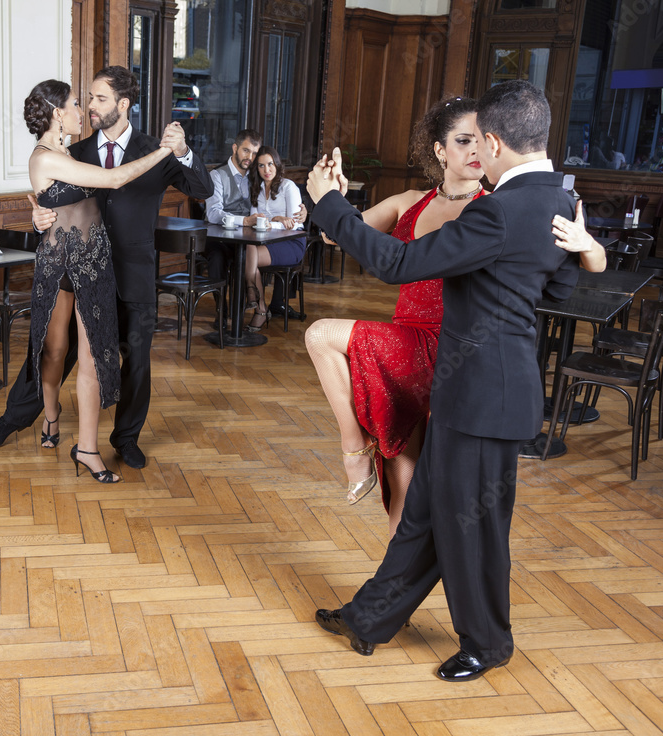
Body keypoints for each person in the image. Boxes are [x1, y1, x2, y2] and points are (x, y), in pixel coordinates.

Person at [307, 80, 587, 682]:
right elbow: (559, 291)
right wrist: (587, 248)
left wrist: (326, 201)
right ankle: (369, 618)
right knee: (426, 516)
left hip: (486, 399)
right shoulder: (559, 203)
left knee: (475, 528)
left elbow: (396, 263)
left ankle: (488, 644)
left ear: (491, 141)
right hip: (473, 394)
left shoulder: (501, 209)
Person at [304, 97, 604, 536]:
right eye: (464, 141)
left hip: (454, 353)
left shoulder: (495, 210)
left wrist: (591, 246)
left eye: (481, 141)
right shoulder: (409, 201)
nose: (476, 152)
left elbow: (573, 267)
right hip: (405, 344)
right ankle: (388, 592)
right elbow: (341, 236)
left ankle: (353, 448)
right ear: (440, 151)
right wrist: (337, 197)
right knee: (401, 477)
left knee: (321, 334)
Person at [0, 66, 215, 470]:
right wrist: (40, 220)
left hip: (132, 269)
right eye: (86, 98)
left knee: (135, 360)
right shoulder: (75, 150)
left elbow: (204, 190)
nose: (89, 106)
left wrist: (182, 151)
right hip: (80, 272)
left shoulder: (153, 147)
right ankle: (16, 418)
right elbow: (56, 200)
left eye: (99, 99)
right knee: (55, 349)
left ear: (123, 104)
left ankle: (126, 440)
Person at [23, 79, 175, 481]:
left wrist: (36, 210)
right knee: (55, 352)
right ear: (58, 113)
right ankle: (51, 416)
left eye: (88, 101)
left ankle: (88, 449)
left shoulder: (65, 152)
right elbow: (112, 180)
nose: (83, 110)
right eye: (76, 103)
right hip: (59, 268)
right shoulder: (45, 156)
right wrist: (163, 150)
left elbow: (44, 201)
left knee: (92, 357)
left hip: (92, 264)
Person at [204, 130, 306, 324]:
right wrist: (245, 221)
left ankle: (251, 305)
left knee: (246, 252)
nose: (250, 158)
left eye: (254, 154)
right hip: (223, 237)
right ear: (235, 148)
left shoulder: (257, 175)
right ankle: (223, 309)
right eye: (246, 151)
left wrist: (303, 210)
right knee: (218, 257)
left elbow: (283, 202)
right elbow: (213, 213)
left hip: (252, 239)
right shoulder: (217, 175)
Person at [241, 145, 306, 331]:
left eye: (270, 164)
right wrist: (273, 221)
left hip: (292, 242)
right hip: (266, 241)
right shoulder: (257, 189)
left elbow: (292, 223)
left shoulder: (288, 186)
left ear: (277, 164)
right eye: (261, 166)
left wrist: (274, 221)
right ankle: (260, 307)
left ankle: (255, 300)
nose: (266, 170)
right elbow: (255, 220)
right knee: (248, 249)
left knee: (248, 257)